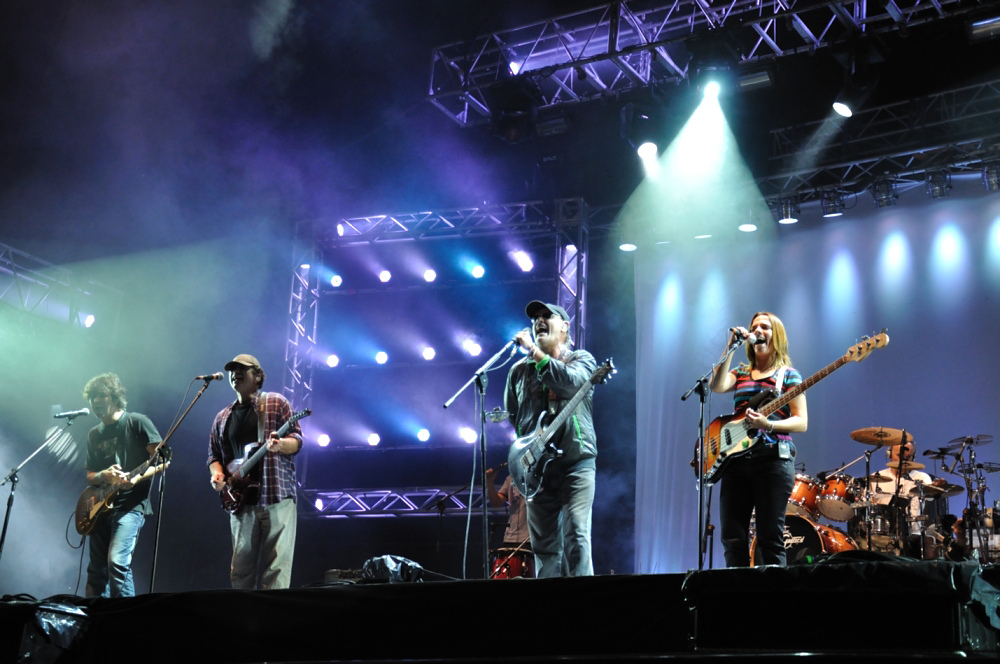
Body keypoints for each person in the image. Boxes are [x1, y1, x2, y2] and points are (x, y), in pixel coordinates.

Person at [505, 300, 597, 577]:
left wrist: (535, 353)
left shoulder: (582, 359)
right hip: (537, 471)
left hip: (575, 463)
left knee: (577, 537)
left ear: (565, 327)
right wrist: (530, 448)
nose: (539, 321)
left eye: (547, 316)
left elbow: (572, 384)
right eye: (535, 318)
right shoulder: (519, 371)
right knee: (544, 547)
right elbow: (514, 414)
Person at [710, 312, 808, 567]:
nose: (758, 330)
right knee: (732, 537)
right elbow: (716, 385)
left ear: (777, 336)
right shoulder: (741, 372)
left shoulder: (789, 375)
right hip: (735, 462)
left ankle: (772, 600)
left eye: (765, 326)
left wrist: (769, 424)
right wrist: (730, 346)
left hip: (772, 460)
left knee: (770, 538)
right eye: (755, 327)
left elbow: (801, 422)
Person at [208, 354, 302, 590]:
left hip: (276, 496)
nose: (235, 373)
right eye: (232, 370)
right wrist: (217, 475)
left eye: (242, 369)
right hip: (241, 502)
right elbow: (214, 456)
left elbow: (297, 440)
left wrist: (280, 445)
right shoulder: (222, 417)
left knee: (277, 571)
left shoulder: (275, 402)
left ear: (258, 376)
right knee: (240, 571)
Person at [82, 372, 166, 597]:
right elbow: (90, 475)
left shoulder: (136, 422)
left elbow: (163, 460)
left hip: (130, 506)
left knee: (117, 562)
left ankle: (126, 620)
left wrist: (136, 478)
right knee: (96, 572)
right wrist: (103, 474)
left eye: (101, 395)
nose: (96, 401)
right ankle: (96, 623)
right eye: (92, 397)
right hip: (100, 507)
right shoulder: (94, 435)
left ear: (114, 397)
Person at [485, 466, 532, 578]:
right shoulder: (510, 478)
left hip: (531, 539)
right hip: (510, 538)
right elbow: (496, 502)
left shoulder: (540, 474)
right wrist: (489, 482)